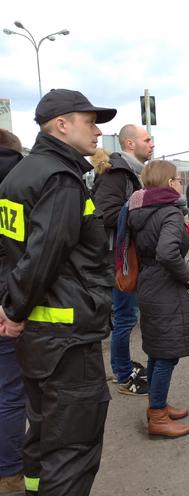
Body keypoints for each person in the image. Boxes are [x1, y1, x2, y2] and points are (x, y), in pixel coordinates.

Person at [0, 88, 118, 495]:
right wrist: (13, 311)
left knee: (45, 434)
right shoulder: (60, 179)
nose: (99, 131)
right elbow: (42, 258)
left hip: (40, 337)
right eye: (90, 121)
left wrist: (11, 308)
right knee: (73, 449)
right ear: (62, 125)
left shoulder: (21, 174)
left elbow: (10, 254)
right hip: (66, 338)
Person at [127, 160, 189, 438]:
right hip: (165, 286)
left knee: (158, 350)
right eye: (178, 179)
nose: (181, 182)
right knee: (167, 353)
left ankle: (157, 405)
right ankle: (157, 417)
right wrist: (187, 277)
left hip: (149, 282)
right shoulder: (168, 212)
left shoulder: (140, 208)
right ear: (170, 183)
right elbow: (168, 252)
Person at [92, 123, 153, 396]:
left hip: (126, 257)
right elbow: (105, 214)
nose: (152, 143)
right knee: (126, 318)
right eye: (147, 139)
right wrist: (144, 213)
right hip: (118, 261)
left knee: (128, 316)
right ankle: (122, 373)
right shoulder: (117, 174)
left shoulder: (130, 173)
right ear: (130, 144)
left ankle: (124, 364)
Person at [0, 129, 25, 495]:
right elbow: (18, 249)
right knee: (10, 391)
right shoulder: (18, 180)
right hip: (7, 303)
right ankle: (9, 472)